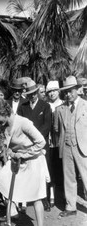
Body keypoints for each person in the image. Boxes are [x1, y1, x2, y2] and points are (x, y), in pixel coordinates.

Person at [0, 99, 48, 226]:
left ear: (5, 112)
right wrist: (9, 151)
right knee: (2, 181)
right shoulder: (5, 126)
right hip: (18, 161)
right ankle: (12, 216)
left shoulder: (23, 123)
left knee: (36, 197)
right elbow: (11, 145)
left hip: (34, 161)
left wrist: (24, 154)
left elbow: (41, 142)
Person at [53, 76, 87, 218]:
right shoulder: (60, 109)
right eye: (65, 92)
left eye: (70, 91)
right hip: (66, 146)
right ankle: (71, 206)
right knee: (69, 177)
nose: (68, 94)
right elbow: (56, 128)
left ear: (77, 90)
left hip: (83, 147)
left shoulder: (86, 105)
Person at [17, 79, 52, 211]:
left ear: (37, 92)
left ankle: (45, 199)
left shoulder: (45, 106)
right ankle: (24, 200)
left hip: (41, 144)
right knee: (26, 171)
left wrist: (36, 139)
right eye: (30, 94)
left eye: (34, 93)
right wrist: (27, 141)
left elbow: (46, 126)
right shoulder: (23, 107)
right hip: (27, 145)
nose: (32, 96)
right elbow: (20, 125)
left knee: (43, 172)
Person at [46, 80, 63, 207]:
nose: (52, 94)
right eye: (49, 91)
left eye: (54, 91)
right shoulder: (46, 106)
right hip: (49, 143)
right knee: (50, 169)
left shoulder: (63, 105)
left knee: (60, 170)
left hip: (61, 142)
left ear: (58, 91)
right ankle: (50, 195)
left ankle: (61, 196)